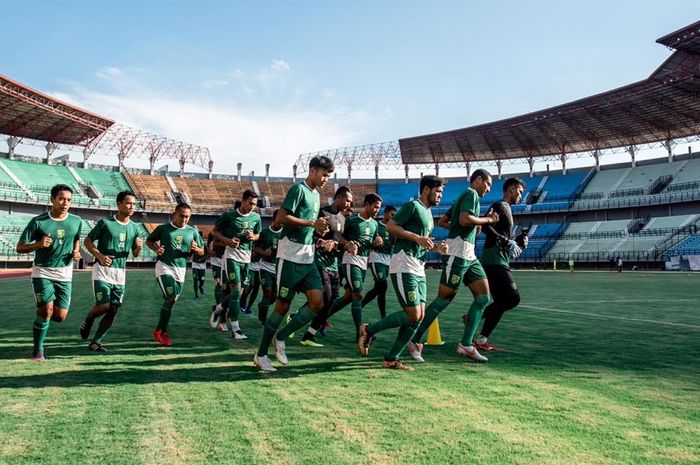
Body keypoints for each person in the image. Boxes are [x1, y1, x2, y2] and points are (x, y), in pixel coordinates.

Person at [405, 169, 498, 364]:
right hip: (457, 253)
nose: (489, 189)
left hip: (469, 254)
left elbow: (445, 221)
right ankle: (413, 340)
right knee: (444, 299)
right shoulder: (471, 194)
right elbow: (464, 220)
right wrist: (487, 220)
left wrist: (472, 224)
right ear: (478, 180)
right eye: (488, 184)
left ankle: (466, 344)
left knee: (483, 297)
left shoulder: (463, 198)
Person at [357, 175, 448, 370]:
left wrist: (436, 248)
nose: (440, 195)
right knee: (413, 314)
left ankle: (391, 358)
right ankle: (368, 330)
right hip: (403, 264)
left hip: (418, 266)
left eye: (442, 192)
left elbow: (421, 243)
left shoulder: (429, 213)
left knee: (419, 317)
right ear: (425, 190)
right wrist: (417, 237)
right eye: (438, 191)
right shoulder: (413, 206)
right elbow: (390, 226)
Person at [253, 155, 334, 372]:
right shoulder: (298, 190)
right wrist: (311, 223)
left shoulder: (316, 195)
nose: (326, 179)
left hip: (308, 257)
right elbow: (280, 217)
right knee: (282, 306)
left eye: (328, 176)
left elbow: (310, 226)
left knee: (318, 302)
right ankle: (260, 355)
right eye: (324, 175)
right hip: (289, 256)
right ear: (313, 170)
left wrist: (319, 232)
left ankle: (280, 337)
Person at [17, 184, 82, 361]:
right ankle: (38, 351)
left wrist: (76, 252)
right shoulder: (39, 221)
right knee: (46, 310)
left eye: (68, 200)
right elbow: (20, 247)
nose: (65, 203)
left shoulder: (76, 221)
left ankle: (40, 321)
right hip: (42, 271)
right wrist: (38, 244)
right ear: (52, 199)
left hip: (65, 273)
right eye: (61, 199)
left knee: (60, 316)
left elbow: (77, 240)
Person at [308, 193, 382, 342]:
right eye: (375, 207)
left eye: (379, 208)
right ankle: (360, 334)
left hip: (363, 262)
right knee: (357, 295)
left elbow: (372, 242)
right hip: (350, 260)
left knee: (348, 297)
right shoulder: (351, 220)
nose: (377, 210)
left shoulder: (375, 224)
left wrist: (377, 242)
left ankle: (318, 321)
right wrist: (348, 244)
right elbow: (338, 236)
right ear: (367, 204)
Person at [79, 190, 143, 351]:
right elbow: (87, 241)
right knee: (104, 305)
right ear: (119, 204)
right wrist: (99, 256)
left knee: (113, 309)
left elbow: (134, 253)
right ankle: (89, 317)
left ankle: (96, 341)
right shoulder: (105, 223)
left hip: (120, 273)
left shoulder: (135, 228)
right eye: (128, 203)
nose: (132, 206)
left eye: (134, 204)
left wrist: (139, 248)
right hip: (102, 270)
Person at [471, 178, 527, 352]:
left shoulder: (507, 208)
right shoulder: (501, 206)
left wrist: (517, 242)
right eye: (519, 192)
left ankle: (481, 339)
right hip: (493, 261)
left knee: (502, 301)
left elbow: (502, 236)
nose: (520, 197)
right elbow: (487, 226)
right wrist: (504, 240)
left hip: (500, 260)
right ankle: (473, 316)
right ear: (510, 189)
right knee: (512, 298)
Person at [297, 186, 353, 347]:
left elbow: (339, 239)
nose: (349, 204)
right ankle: (301, 325)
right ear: (338, 198)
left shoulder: (342, 218)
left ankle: (308, 334)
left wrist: (348, 244)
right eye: (347, 200)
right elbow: (311, 234)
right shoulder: (323, 213)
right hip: (318, 261)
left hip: (334, 263)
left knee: (330, 302)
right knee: (326, 297)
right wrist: (321, 242)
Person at [146, 203, 205, 346]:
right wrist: (156, 249)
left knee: (170, 301)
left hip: (181, 270)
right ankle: (163, 333)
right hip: (164, 266)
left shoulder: (192, 232)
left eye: (187, 217)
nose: (184, 219)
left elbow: (202, 251)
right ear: (174, 214)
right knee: (171, 297)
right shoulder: (163, 229)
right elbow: (149, 240)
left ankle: (158, 330)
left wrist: (198, 249)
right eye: (182, 216)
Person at [211, 190, 262, 339]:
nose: (252, 206)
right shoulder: (229, 216)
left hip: (246, 259)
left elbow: (258, 234)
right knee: (236, 292)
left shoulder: (256, 217)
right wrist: (227, 241)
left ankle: (218, 308)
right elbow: (215, 231)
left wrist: (253, 236)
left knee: (239, 292)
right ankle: (236, 328)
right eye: (250, 203)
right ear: (243, 200)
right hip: (232, 256)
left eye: (255, 204)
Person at [362, 205, 397, 318]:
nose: (393, 217)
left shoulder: (393, 228)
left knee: (379, 288)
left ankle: (360, 305)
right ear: (386, 213)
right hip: (376, 258)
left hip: (387, 260)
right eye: (392, 215)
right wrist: (375, 243)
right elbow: (370, 239)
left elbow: (394, 243)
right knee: (383, 284)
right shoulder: (377, 225)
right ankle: (383, 315)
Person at [253, 209, 283, 325]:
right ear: (273, 220)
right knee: (267, 292)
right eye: (279, 221)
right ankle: (264, 321)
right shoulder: (265, 233)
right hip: (265, 266)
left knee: (274, 296)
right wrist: (265, 253)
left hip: (278, 268)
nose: (281, 223)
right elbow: (254, 247)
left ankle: (262, 306)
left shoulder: (284, 233)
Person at [192, 231, 208, 300]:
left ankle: (201, 286)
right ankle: (196, 295)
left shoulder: (204, 245)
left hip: (202, 265)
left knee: (202, 280)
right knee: (195, 279)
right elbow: (189, 253)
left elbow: (209, 254)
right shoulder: (193, 245)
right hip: (195, 264)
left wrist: (202, 258)